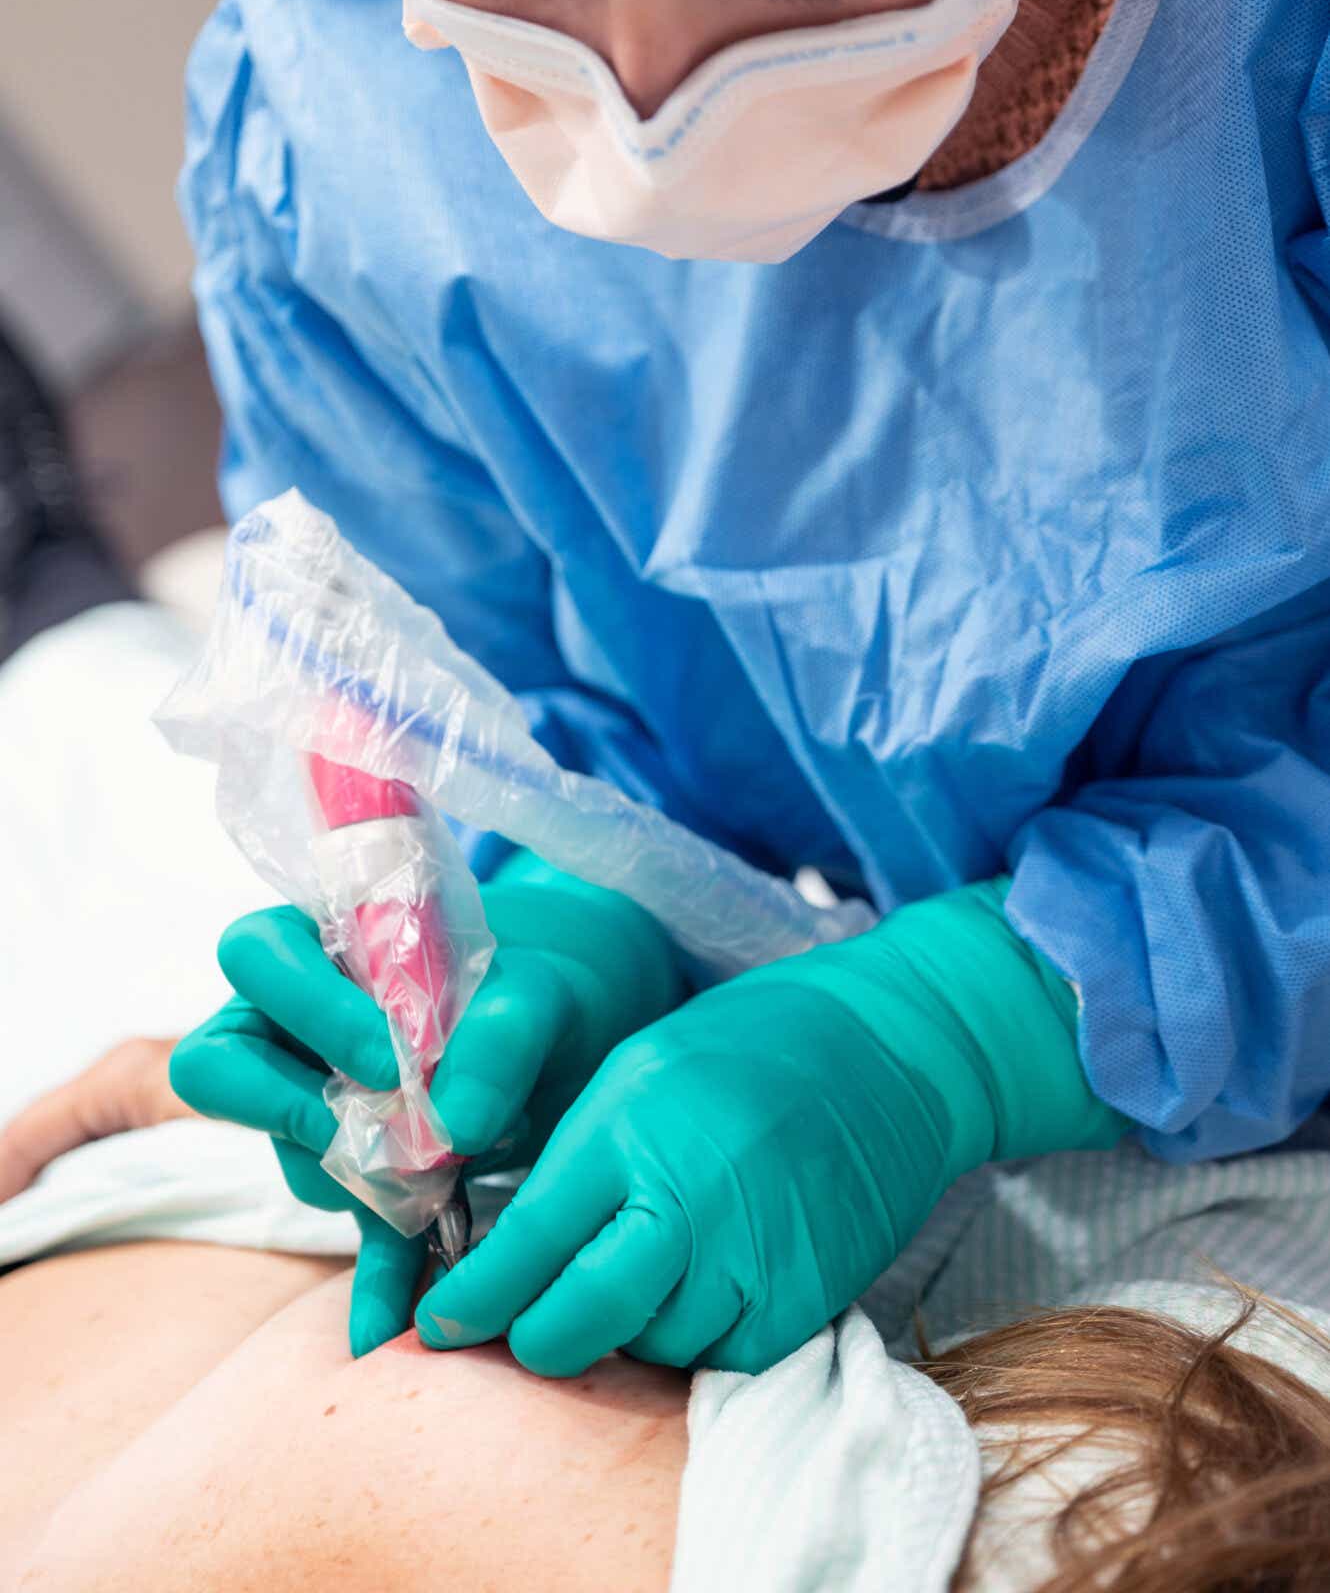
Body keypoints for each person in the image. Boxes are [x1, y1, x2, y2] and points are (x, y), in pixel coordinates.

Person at [171, 0, 1330, 1381]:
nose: (642, 123)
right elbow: (438, 684)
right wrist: (551, 907)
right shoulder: (332, 77)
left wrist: (972, 1022)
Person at [3, 351, 1330, 1589]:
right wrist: (973, 1023)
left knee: (69, 704)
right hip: (990, 1270)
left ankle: (49, 589)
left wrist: (135, 1100)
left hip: (141, 1195)